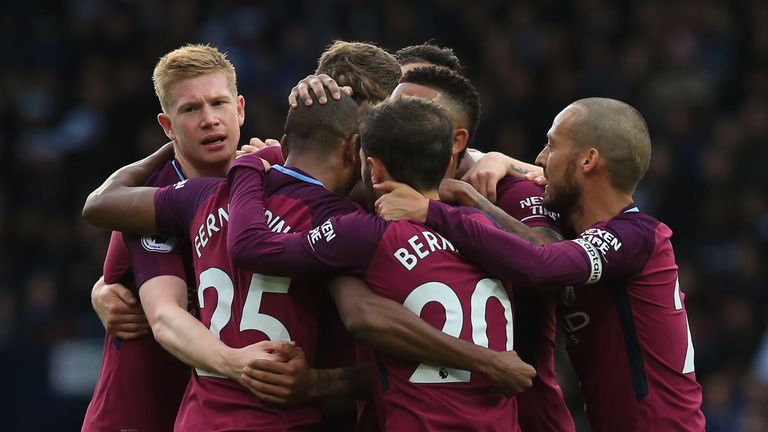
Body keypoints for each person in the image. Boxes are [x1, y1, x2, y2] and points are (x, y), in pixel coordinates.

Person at [374, 97, 706, 431]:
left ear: (589, 160)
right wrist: (497, 160)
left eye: (551, 145)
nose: (540, 159)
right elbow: (544, 185)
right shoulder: (581, 231)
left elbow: (539, 264)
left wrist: (439, 210)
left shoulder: (637, 237)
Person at [226, 97, 535, 431]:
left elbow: (250, 246)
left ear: (372, 169)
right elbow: (544, 257)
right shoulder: (480, 225)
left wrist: (247, 168)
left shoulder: (362, 233)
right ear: (447, 162)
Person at [81, 44, 285, 432]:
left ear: (240, 109)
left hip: (220, 414)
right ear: (167, 125)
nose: (210, 119)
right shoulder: (149, 200)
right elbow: (164, 316)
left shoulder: (268, 183)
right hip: (139, 415)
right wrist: (235, 362)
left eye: (219, 103)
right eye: (191, 110)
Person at [395, 65, 574, 432]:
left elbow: (553, 270)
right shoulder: (378, 195)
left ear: (457, 140)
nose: (396, 124)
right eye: (391, 109)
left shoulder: (506, 191)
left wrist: (471, 202)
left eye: (415, 113)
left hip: (523, 416)